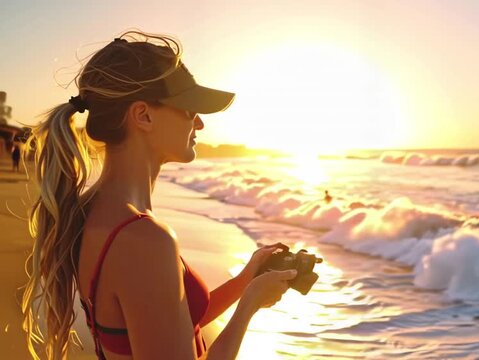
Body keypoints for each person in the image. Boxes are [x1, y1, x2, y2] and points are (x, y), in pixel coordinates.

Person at [21, 31, 296, 360]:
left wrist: (246, 279)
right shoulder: (143, 240)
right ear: (143, 116)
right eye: (188, 109)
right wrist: (249, 306)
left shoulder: (94, 211)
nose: (200, 124)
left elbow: (165, 323)